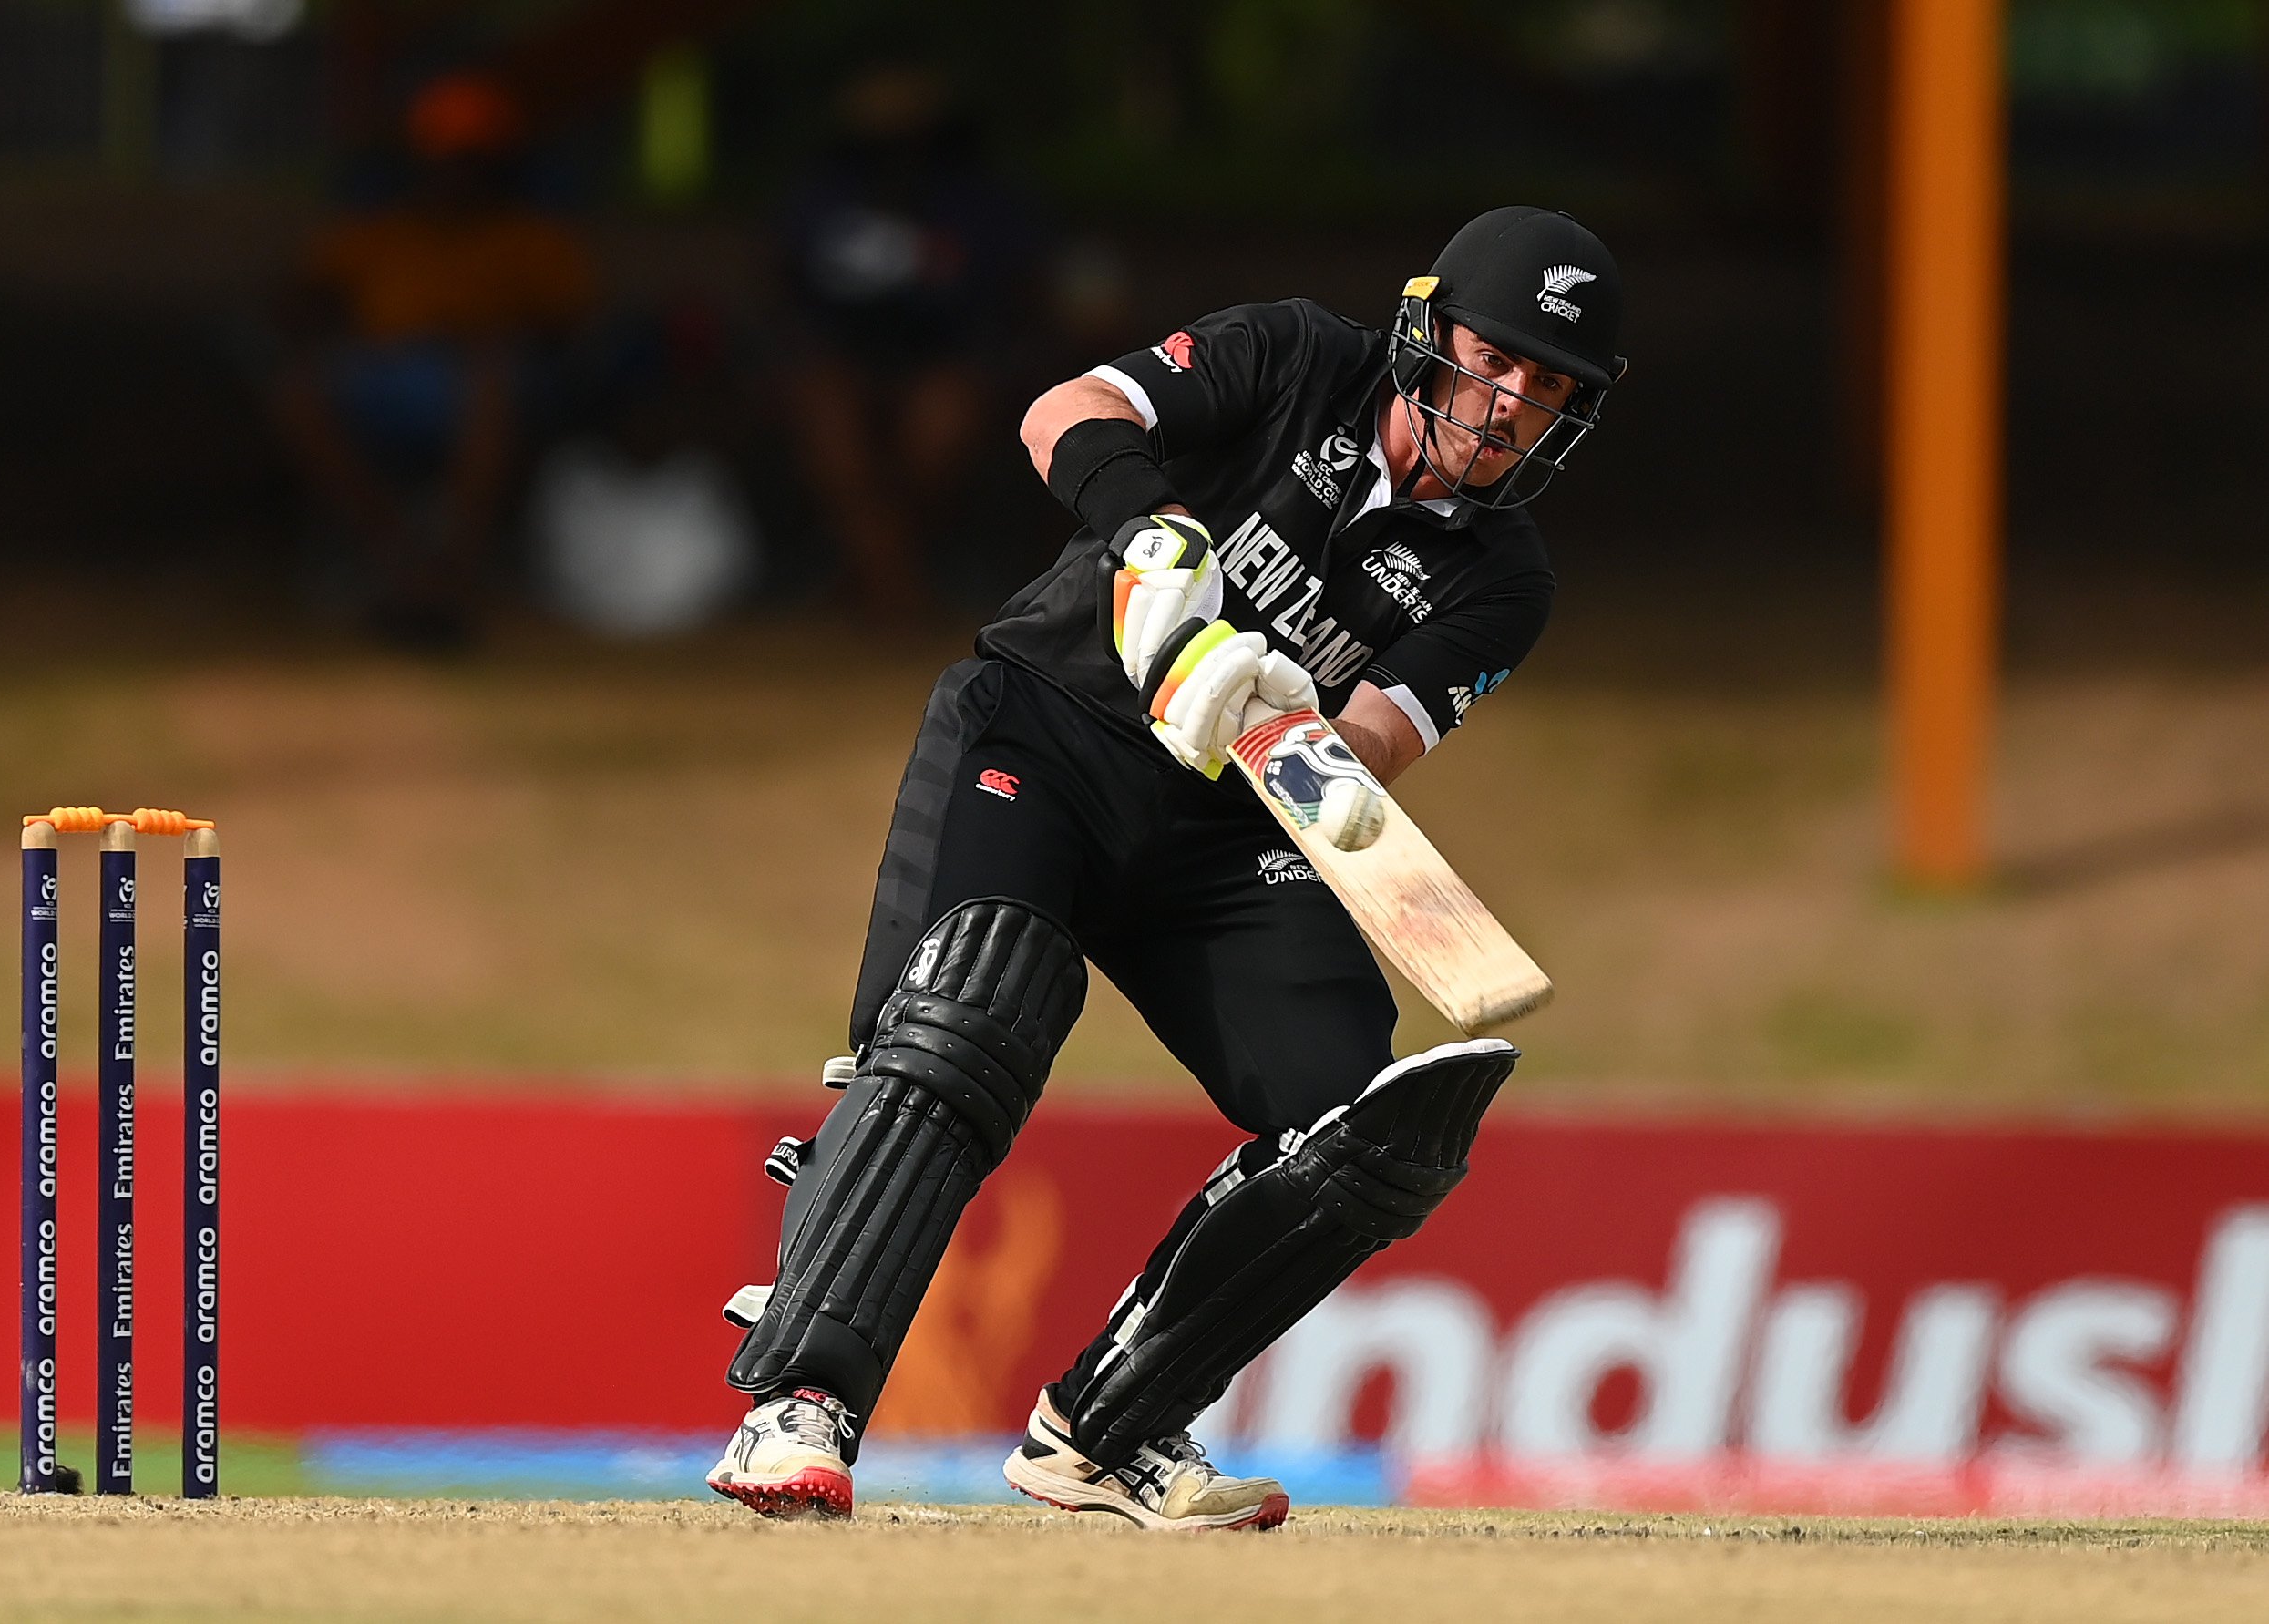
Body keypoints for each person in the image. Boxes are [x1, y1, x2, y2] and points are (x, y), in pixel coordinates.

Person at [703, 205, 1626, 1529]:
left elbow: (1360, 754)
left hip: (1229, 822)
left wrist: (1254, 694)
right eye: (1496, 360)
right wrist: (1153, 542)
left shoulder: (1502, 577)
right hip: (1049, 726)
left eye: (1549, 389)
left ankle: (1111, 1428)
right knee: (982, 1000)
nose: (1512, 404)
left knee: (1365, 1127)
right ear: (1429, 334)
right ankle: (802, 1404)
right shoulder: (1297, 357)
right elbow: (1062, 411)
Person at [271, 72, 595, 649]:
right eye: (444, 160)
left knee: (487, 377)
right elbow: (302, 306)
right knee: (298, 390)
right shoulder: (377, 231)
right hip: (386, 377)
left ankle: (451, 571)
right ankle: (400, 558)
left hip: (490, 382)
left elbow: (567, 331)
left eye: (472, 161)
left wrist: (485, 335)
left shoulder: (530, 239)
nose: (457, 175)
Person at [776, 66, 1035, 621]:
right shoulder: (824, 196)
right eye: (881, 139)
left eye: (912, 135)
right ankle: (895, 592)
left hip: (942, 358)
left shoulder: (973, 199)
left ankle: (869, 581)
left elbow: (1008, 292)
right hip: (842, 357)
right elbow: (787, 286)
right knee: (833, 434)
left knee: (937, 432)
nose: (897, 151)